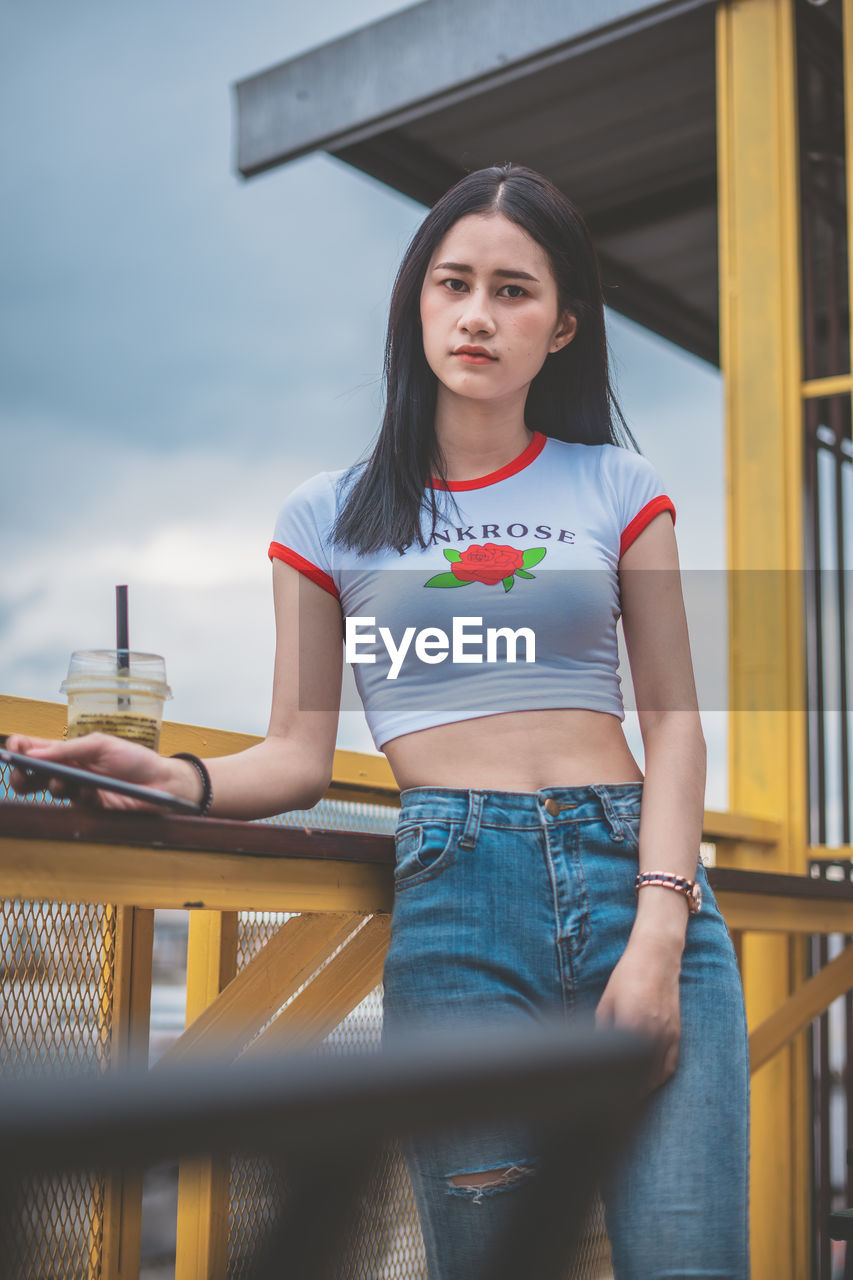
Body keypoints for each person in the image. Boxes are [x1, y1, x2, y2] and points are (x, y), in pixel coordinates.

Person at [9, 164, 749, 1279]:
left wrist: (655, 936)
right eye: (454, 283)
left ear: (561, 327)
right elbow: (298, 756)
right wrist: (167, 777)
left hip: (639, 882)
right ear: (416, 303)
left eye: (513, 290)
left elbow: (675, 726)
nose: (477, 315)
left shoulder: (617, 485)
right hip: (459, 912)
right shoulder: (330, 517)